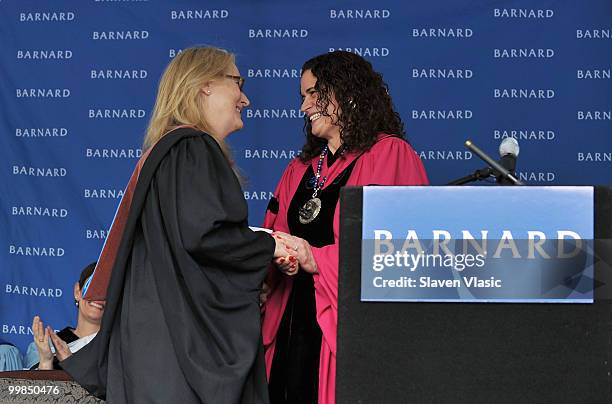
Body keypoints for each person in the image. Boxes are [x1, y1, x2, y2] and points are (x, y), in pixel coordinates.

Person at [60, 46, 292, 403]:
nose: (244, 97)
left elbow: (187, 244)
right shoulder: (193, 149)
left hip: (152, 349)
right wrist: (269, 247)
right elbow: (205, 237)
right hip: (177, 355)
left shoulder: (168, 153)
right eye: (237, 81)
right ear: (205, 85)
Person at [261, 51, 429, 404]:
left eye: (313, 94)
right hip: (292, 319)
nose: (304, 107)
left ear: (347, 92)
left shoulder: (390, 155)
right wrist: (280, 256)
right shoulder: (300, 168)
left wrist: (316, 259)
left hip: (346, 327)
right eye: (302, 96)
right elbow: (273, 232)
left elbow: (398, 256)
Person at [26, 262, 103, 370]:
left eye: (107, 291)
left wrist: (71, 364)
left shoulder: (116, 351)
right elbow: (34, 386)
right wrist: (46, 362)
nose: (98, 297)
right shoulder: (46, 346)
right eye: (92, 287)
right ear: (77, 291)